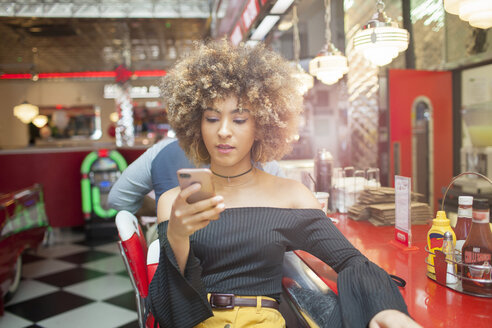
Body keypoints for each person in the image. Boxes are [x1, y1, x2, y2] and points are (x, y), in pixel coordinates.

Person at [147, 40, 422, 328]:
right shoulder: (174, 202)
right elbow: (168, 303)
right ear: (196, 124)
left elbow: (349, 261)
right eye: (212, 118)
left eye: (239, 119)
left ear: (262, 126)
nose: (223, 131)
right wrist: (177, 235)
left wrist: (385, 310)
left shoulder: (290, 196)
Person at [108, 139, 284, 216]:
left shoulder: (161, 151)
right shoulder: (262, 158)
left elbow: (118, 199)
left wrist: (163, 210)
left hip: (173, 270)